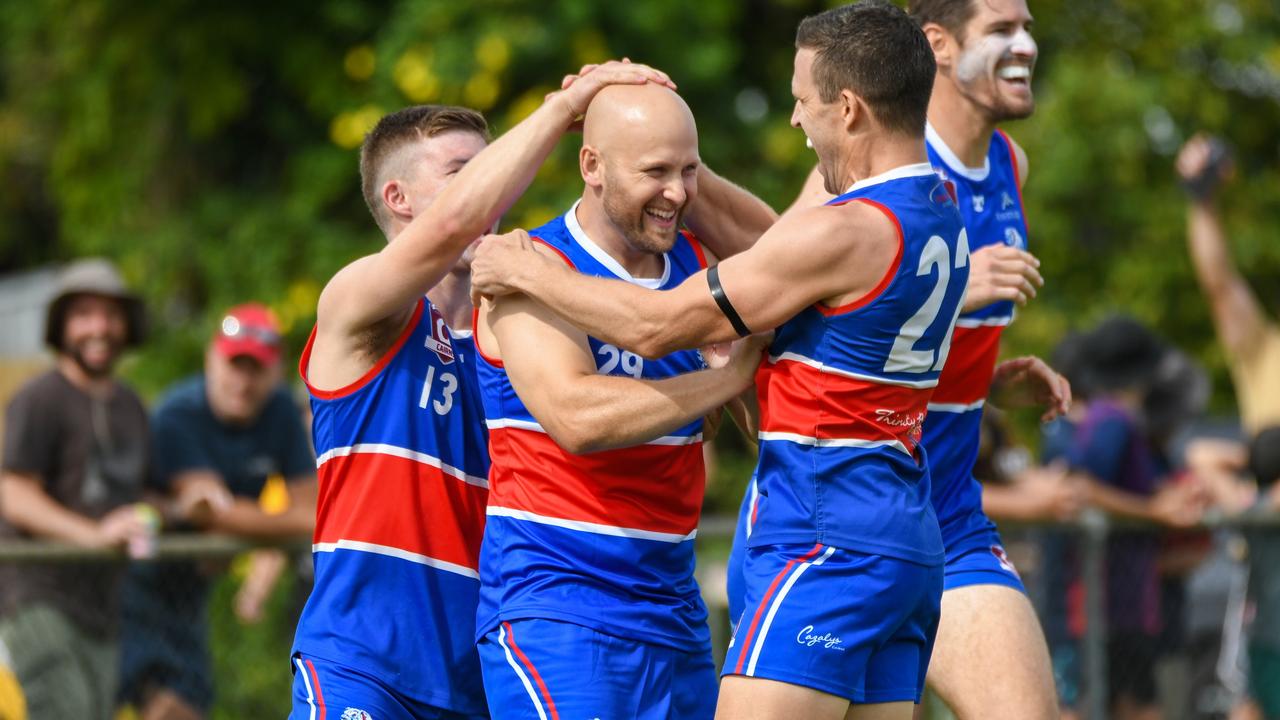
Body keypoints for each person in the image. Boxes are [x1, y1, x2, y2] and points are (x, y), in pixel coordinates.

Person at [473, 3, 970, 716]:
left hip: (826, 539)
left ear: (851, 108)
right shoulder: (940, 211)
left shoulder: (845, 232)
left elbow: (658, 326)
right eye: (661, 170)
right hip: (905, 543)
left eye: (803, 101)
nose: (797, 122)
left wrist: (526, 270)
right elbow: (775, 248)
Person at [288, 61, 676, 720]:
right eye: (463, 174)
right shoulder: (357, 305)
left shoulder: (520, 331)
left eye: (492, 166)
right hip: (363, 665)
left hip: (478, 677)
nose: (494, 190)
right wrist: (563, 107)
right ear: (397, 198)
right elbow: (448, 231)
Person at [471, 81, 769, 719]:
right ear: (592, 166)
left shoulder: (699, 264)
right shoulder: (530, 266)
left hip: (673, 608)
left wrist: (754, 373)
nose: (679, 193)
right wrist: (722, 379)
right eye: (655, 171)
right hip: (558, 605)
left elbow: (768, 427)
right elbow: (577, 417)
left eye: (689, 171)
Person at [119, 302, 316, 720]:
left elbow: (312, 512)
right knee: (164, 706)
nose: (242, 382)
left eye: (255, 369)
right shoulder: (178, 413)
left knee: (192, 703)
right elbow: (209, 510)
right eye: (234, 365)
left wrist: (239, 518)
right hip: (133, 584)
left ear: (276, 370)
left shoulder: (280, 410)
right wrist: (263, 522)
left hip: (193, 589)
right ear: (211, 358)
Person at [0, 258, 154, 720]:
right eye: (84, 314)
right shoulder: (39, 398)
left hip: (102, 605)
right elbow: (13, 493)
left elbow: (141, 494)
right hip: (36, 593)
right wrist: (93, 535)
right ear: (61, 325)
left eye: (110, 315)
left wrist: (191, 504)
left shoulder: (131, 406)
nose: (99, 328)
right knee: (65, 709)